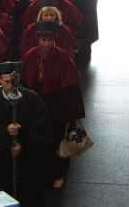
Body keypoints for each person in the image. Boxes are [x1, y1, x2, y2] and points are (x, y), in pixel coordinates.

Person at [21, 22, 85, 190]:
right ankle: (40, 173)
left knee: (58, 143)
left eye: (50, 40)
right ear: (38, 40)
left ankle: (59, 174)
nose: (47, 44)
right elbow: (24, 82)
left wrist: (70, 116)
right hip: (35, 106)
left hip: (57, 107)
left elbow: (72, 89)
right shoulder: (30, 55)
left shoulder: (64, 58)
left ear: (55, 40)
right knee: (37, 141)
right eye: (43, 40)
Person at [0, 62, 51, 207]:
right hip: (1, 163)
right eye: (7, 82)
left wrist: (22, 143)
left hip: (28, 163)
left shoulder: (32, 99)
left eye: (15, 82)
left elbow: (44, 130)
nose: (12, 86)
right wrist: (5, 133)